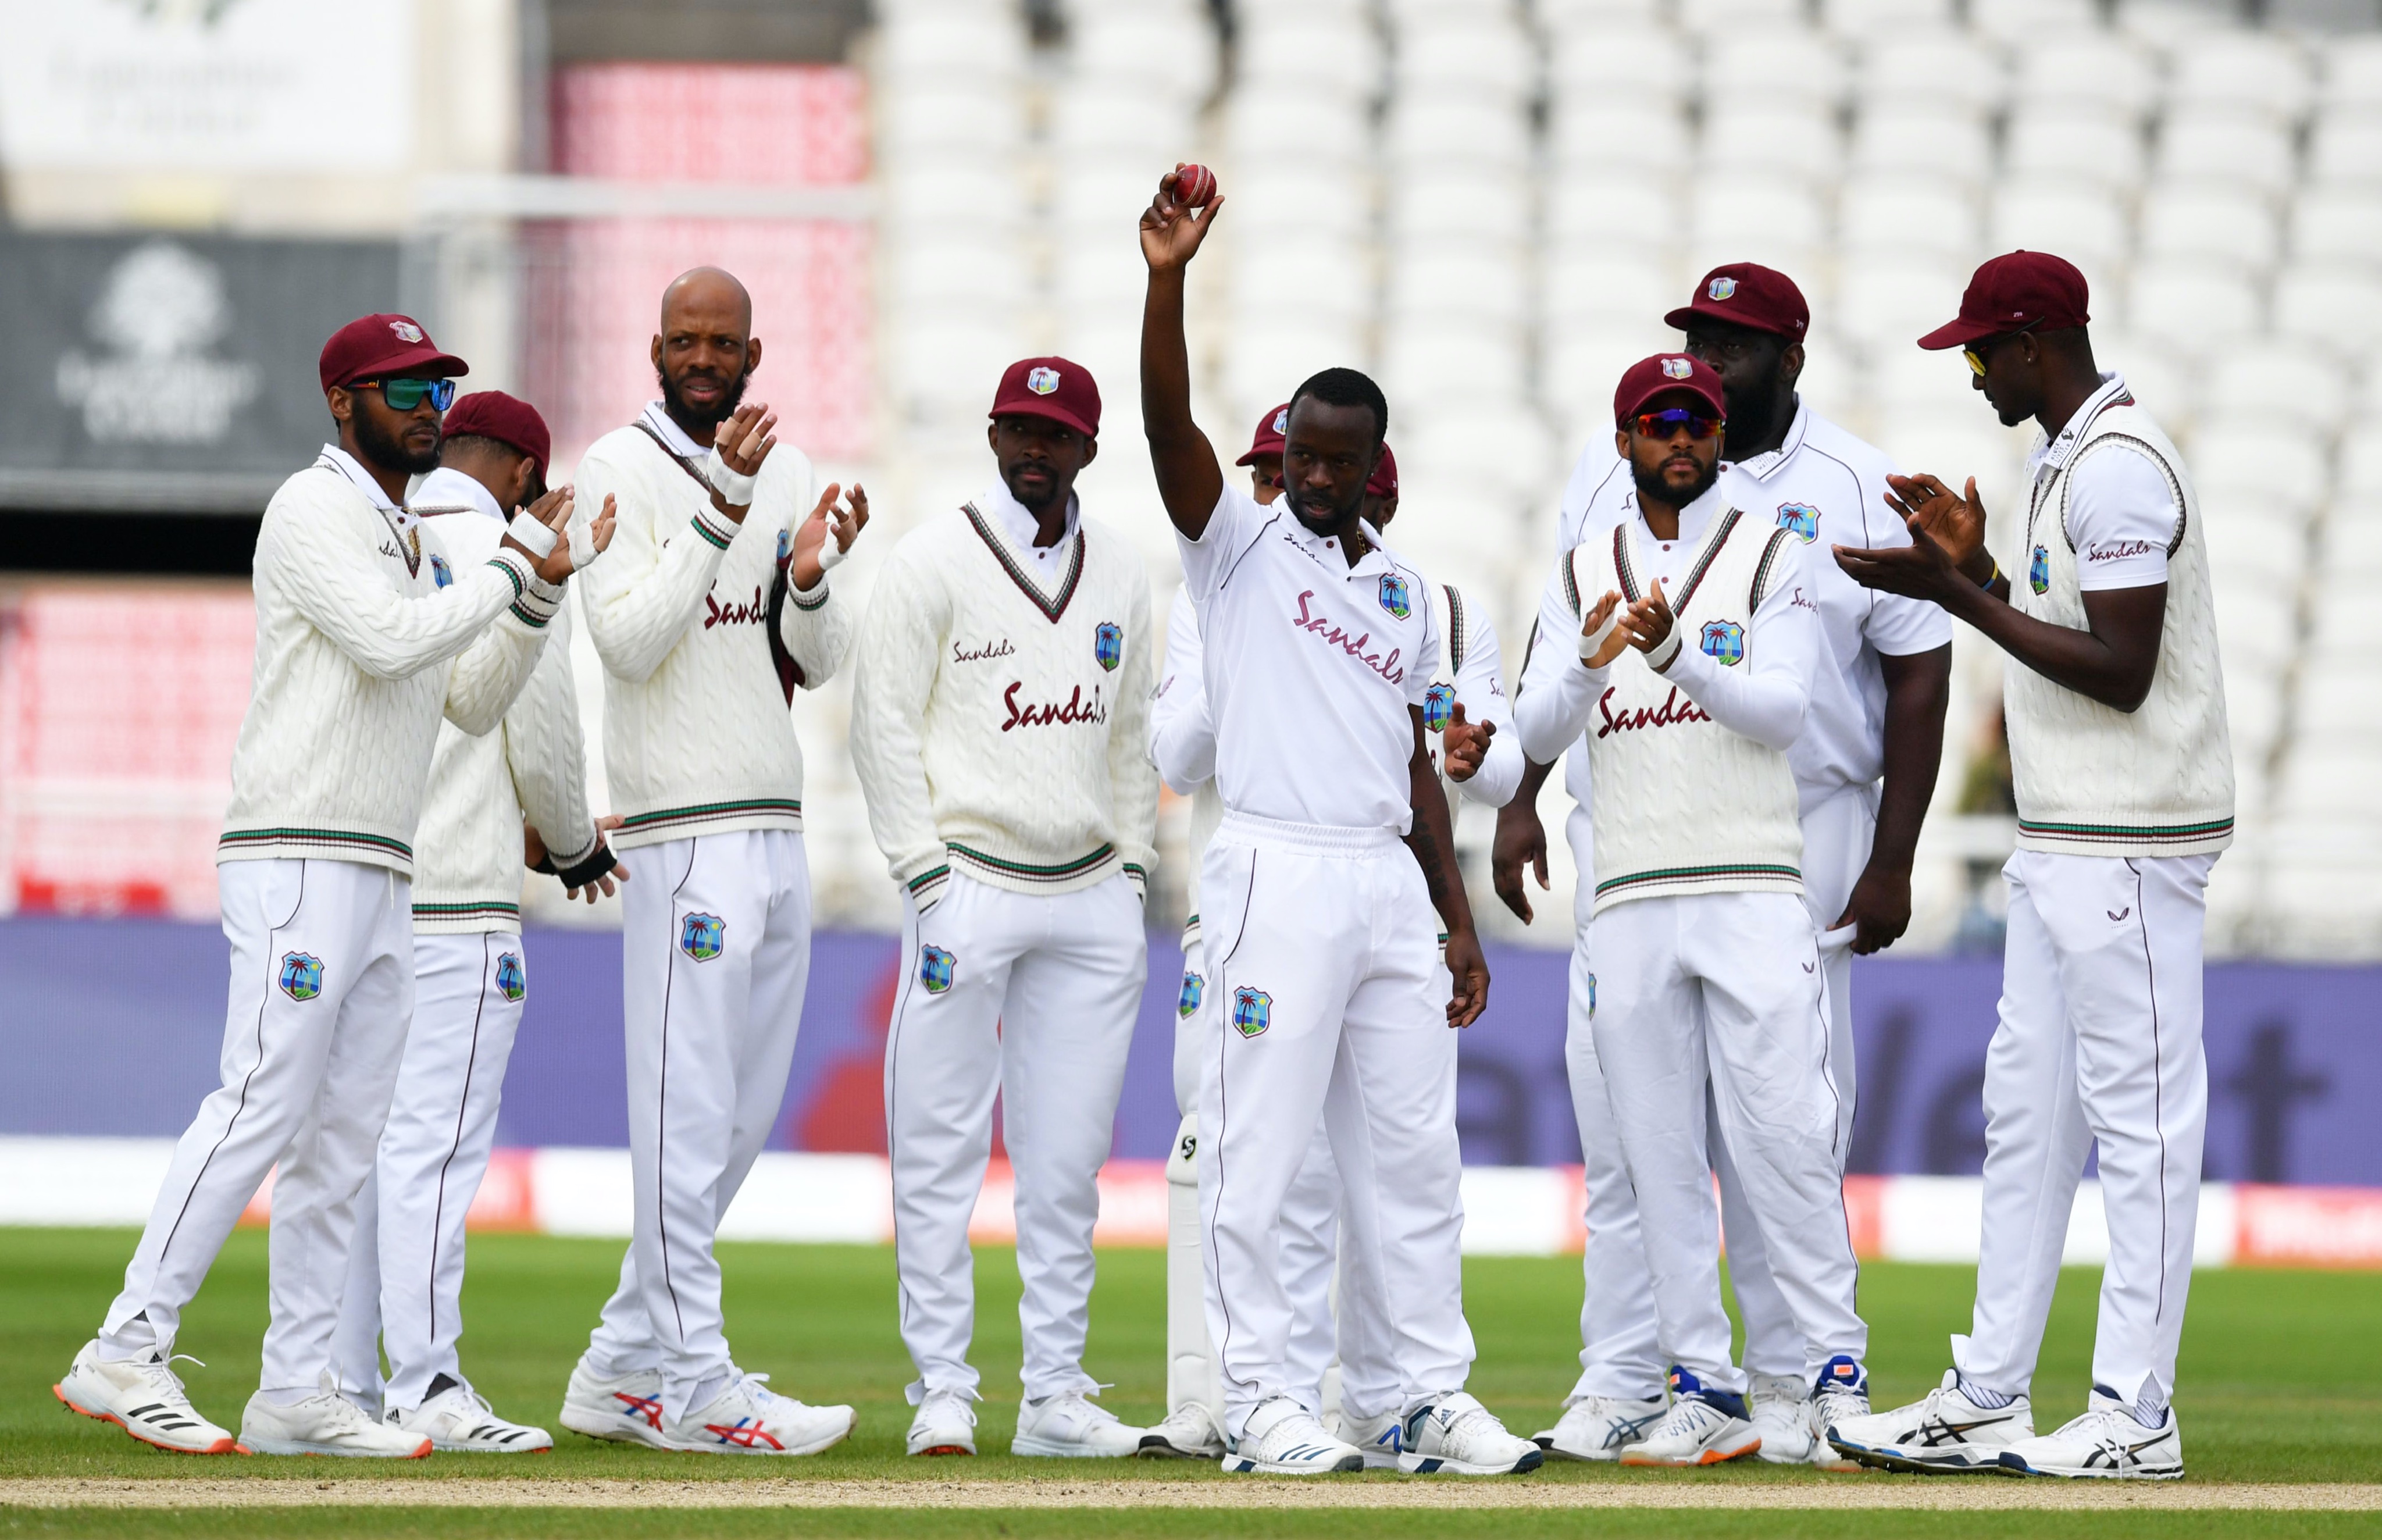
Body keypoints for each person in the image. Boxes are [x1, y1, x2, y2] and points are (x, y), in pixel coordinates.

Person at [53, 316, 596, 1457]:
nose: (428, 408)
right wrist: (504, 566)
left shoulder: (407, 530)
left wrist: (537, 600)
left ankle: (297, 1385)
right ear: (342, 403)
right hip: (297, 849)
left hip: (384, 861)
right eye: (401, 389)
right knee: (260, 1098)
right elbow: (392, 645)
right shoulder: (313, 510)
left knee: (343, 1133)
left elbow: (466, 700)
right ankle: (124, 1346)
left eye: (438, 390)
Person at [1503, 264, 1950, 1465]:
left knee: (1786, 1134)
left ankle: (1822, 1376)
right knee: (1641, 1145)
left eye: (1699, 409)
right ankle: (1689, 1380)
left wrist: (1675, 659)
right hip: (1630, 865)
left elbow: (1794, 708)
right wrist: (1539, 741)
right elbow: (1530, 725)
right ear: (1625, 436)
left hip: (1774, 855)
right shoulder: (1586, 535)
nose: (1685, 431)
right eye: (1662, 415)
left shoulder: (1781, 537)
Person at [1139, 166, 1539, 1478]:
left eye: (1335, 460)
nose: (1310, 476)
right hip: (1272, 869)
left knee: (1411, 1158)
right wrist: (1166, 278)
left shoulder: (1413, 595)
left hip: (1384, 888)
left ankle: (1410, 1392)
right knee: (1258, 1153)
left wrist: (1456, 922)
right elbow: (1165, 433)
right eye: (1297, 455)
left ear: (1374, 466)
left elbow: (1419, 770)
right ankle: (1258, 1393)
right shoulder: (1237, 550)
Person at [1826, 252, 2231, 1481]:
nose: (1970, 374)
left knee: (2141, 1134)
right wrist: (1986, 576)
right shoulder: (2065, 458)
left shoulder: (2114, 467)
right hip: (2061, 839)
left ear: (2034, 346)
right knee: (2027, 1128)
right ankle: (1989, 1393)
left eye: (1979, 354)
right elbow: (2066, 634)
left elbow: (2119, 669)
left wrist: (1954, 592)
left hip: (2131, 840)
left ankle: (2133, 1416)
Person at [558, 267, 868, 1457]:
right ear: (653, 348)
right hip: (680, 831)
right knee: (687, 1117)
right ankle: (695, 1383)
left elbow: (819, 657)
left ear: (752, 351)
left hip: (774, 823)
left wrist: (807, 575)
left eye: (720, 341)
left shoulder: (787, 467)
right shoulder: (616, 471)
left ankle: (617, 1363)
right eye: (682, 339)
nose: (701, 357)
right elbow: (629, 642)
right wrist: (719, 506)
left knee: (738, 1117)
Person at [850, 357, 1159, 1460]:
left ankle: (1055, 1397)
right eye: (1018, 429)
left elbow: (1130, 737)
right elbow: (879, 726)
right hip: (966, 882)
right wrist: (922, 873)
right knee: (935, 1155)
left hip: (1089, 897)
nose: (1034, 447)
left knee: (1065, 1164)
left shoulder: (1123, 570)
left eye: (1056, 432)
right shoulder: (931, 560)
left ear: (1088, 445)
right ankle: (943, 1387)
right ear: (991, 435)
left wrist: (1134, 869)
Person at [328, 391, 624, 1452]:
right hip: (462, 901)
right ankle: (427, 1386)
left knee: (364, 1156)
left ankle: (342, 1384)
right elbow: (537, 734)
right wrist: (575, 843)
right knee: (436, 1155)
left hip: (369, 887)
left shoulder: (378, 532)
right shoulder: (511, 556)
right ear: (525, 478)